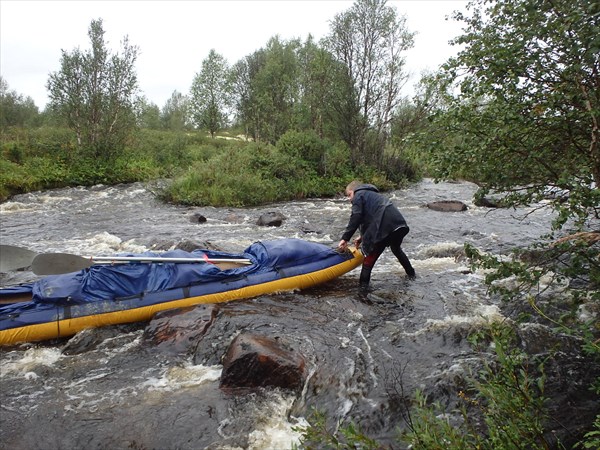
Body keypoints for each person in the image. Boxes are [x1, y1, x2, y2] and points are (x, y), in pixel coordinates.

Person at [338, 180, 416, 287]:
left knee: (368, 259)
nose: (349, 199)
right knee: (396, 249)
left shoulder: (358, 195)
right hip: (398, 224)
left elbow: (356, 217)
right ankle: (412, 275)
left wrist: (345, 238)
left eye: (349, 195)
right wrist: (362, 237)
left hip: (384, 225)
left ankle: (362, 291)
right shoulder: (373, 195)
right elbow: (373, 218)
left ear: (354, 191)